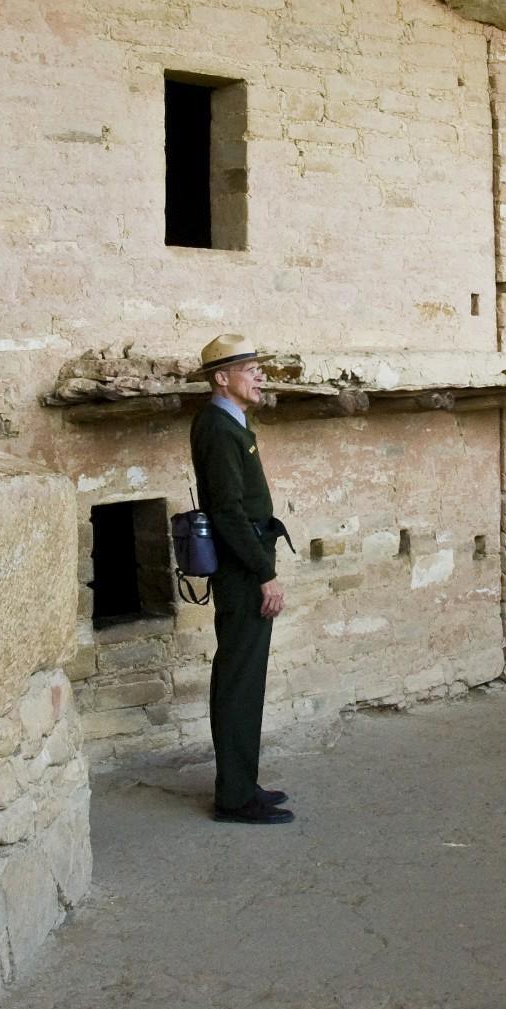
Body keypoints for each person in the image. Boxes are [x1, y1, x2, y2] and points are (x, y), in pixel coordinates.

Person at [190, 334, 295, 824]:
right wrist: (264, 574)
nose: (259, 376)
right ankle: (234, 797)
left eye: (258, 367)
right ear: (221, 377)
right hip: (242, 570)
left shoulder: (230, 423)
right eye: (249, 368)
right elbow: (229, 512)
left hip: (245, 563)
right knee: (238, 681)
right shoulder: (216, 427)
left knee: (245, 681)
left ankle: (242, 782)